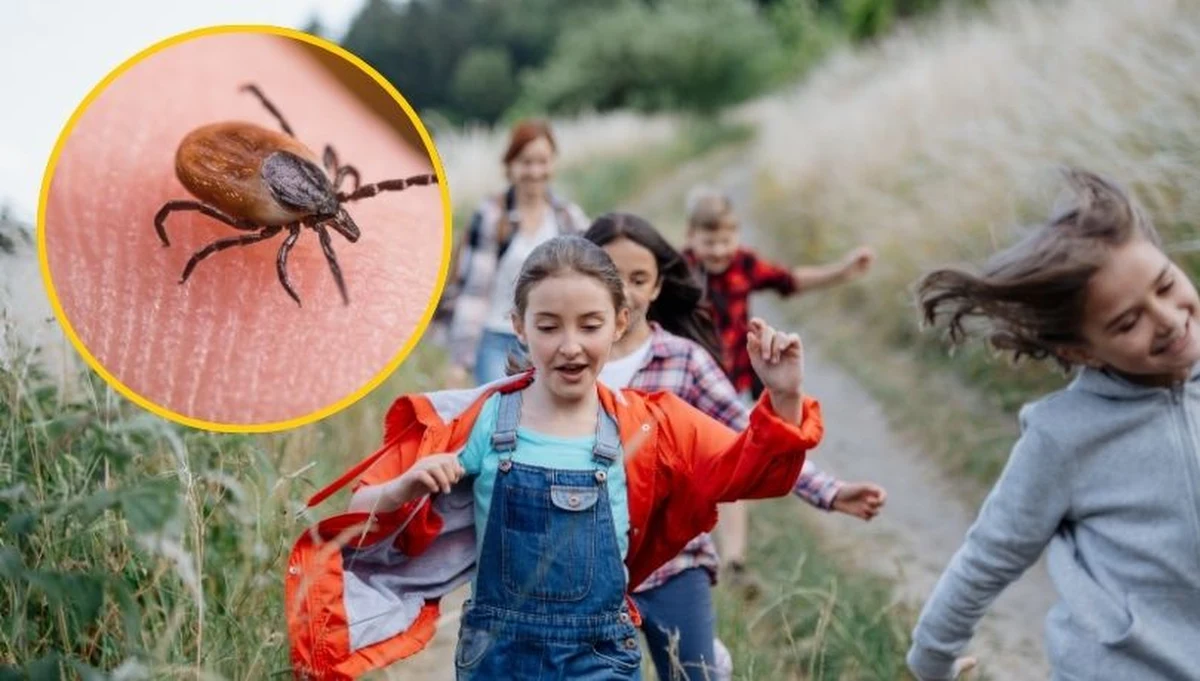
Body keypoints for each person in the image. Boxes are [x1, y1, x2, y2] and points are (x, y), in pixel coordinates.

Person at [287, 235, 825, 680]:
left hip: (600, 656)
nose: (570, 345)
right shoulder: (485, 419)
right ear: (519, 325)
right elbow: (359, 509)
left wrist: (782, 397)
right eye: (548, 327)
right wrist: (406, 487)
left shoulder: (650, 425)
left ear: (619, 322)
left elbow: (750, 471)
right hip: (497, 656)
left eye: (589, 326)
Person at [906, 169, 1200, 680]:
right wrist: (933, 657)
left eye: (1167, 284)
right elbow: (991, 553)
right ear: (1080, 350)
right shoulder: (1064, 437)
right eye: (1129, 322)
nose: (1170, 318)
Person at [585, 212, 887, 681]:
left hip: (675, 561)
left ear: (659, 287)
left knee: (694, 674)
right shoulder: (565, 362)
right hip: (585, 567)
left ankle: (709, 658)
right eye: (608, 276)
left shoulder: (683, 361)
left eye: (638, 278)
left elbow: (747, 434)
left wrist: (827, 491)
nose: (623, 289)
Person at [681, 185, 875, 589]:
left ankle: (733, 558)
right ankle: (689, 549)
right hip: (690, 386)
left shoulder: (744, 265)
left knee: (733, 466)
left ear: (736, 237)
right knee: (689, 470)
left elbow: (790, 280)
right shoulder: (680, 271)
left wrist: (841, 270)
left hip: (731, 385)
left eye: (725, 240)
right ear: (691, 237)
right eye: (708, 241)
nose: (717, 250)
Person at [444, 119, 589, 387]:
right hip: (496, 340)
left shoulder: (569, 219)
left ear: (553, 163)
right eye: (526, 162)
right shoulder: (490, 215)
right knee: (501, 420)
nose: (535, 171)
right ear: (510, 165)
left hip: (553, 340)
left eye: (542, 161)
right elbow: (473, 292)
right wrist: (460, 360)